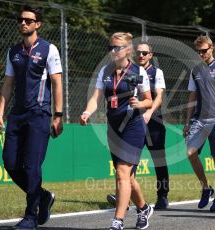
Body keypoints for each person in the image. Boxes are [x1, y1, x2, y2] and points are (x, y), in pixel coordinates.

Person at [0, 5, 63, 230]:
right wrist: (0, 114)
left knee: (33, 166)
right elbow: (7, 85)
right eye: (21, 19)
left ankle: (31, 216)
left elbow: (57, 83)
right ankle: (43, 196)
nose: (23, 23)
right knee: (11, 162)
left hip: (40, 114)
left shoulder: (49, 49)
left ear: (37, 24)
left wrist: (58, 115)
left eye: (29, 20)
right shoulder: (12, 52)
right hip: (17, 115)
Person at [80, 32, 153, 230]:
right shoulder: (105, 71)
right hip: (114, 128)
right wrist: (87, 111)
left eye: (117, 48)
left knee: (122, 174)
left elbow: (149, 100)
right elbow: (96, 97)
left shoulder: (138, 71)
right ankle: (144, 208)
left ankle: (117, 221)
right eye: (110, 48)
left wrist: (140, 103)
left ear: (128, 50)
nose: (113, 51)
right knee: (127, 177)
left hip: (133, 126)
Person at [107, 42, 169, 210]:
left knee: (158, 159)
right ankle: (123, 197)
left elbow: (159, 97)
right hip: (132, 122)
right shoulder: (128, 70)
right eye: (139, 53)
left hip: (153, 121)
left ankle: (162, 195)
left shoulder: (157, 72)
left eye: (144, 53)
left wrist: (148, 111)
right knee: (125, 162)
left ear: (150, 55)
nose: (141, 55)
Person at [182, 35, 215, 212]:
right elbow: (192, 96)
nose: (201, 54)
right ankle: (206, 187)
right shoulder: (195, 70)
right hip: (199, 119)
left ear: (212, 48)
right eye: (198, 52)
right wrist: (187, 122)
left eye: (204, 51)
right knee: (190, 152)